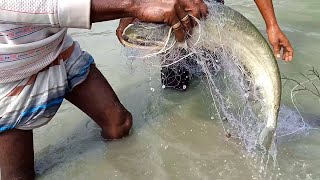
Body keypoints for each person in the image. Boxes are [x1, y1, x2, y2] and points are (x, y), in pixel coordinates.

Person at [0, 0, 211, 179]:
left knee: (119, 123)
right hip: (12, 73)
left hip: (57, 49)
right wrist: (134, 6)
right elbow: (50, 8)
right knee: (19, 176)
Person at [116, 0, 294, 91]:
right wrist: (130, 9)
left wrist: (272, 25)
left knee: (212, 72)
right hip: (170, 9)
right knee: (176, 84)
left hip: (207, 8)